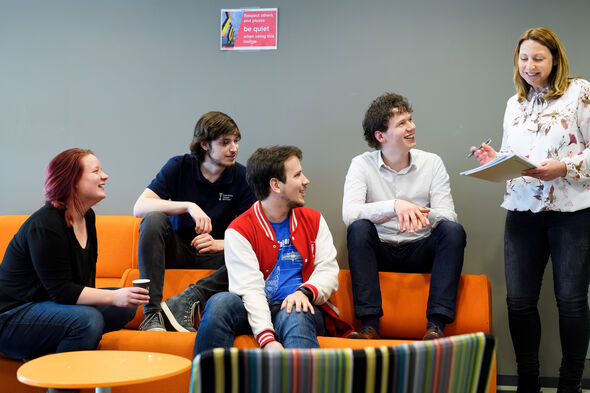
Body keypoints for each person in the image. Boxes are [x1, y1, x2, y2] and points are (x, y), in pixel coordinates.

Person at [471, 27, 590, 393]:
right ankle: (528, 382)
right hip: (522, 210)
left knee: (570, 302)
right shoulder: (515, 104)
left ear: (555, 58)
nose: (530, 65)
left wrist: (564, 167)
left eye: (538, 58)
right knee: (519, 302)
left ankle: (570, 383)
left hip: (572, 212)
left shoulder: (581, 93)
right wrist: (495, 160)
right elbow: (514, 156)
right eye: (524, 58)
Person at [194, 146, 351, 354]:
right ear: (275, 185)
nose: (306, 180)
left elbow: (328, 270)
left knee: (295, 309)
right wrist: (266, 338)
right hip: (254, 310)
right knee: (220, 302)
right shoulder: (239, 230)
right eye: (297, 175)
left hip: (302, 309)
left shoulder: (314, 220)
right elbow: (250, 289)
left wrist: (304, 293)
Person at [0, 148, 146, 362]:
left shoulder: (87, 217)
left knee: (124, 309)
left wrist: (119, 298)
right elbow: (62, 292)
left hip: (47, 307)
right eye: (96, 171)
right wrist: (115, 297)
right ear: (73, 181)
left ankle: (46, 353)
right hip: (11, 315)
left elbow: (83, 284)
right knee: (88, 320)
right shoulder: (46, 224)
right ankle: (58, 382)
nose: (105, 176)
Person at [342, 93, 466, 341]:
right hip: (381, 251)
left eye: (410, 120)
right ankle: (369, 326)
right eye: (402, 124)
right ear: (381, 136)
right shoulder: (361, 164)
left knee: (453, 231)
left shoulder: (432, 163)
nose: (412, 127)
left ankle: (435, 326)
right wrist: (394, 206)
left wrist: (417, 214)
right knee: (358, 228)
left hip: (420, 249)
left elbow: (449, 214)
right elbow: (350, 213)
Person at [133, 111, 256, 332]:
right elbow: (140, 207)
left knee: (257, 257)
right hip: (179, 251)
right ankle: (152, 316)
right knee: (153, 219)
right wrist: (188, 205)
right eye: (225, 142)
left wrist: (222, 243)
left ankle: (188, 298)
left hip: (216, 257)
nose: (234, 148)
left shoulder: (241, 176)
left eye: (236, 141)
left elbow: (258, 230)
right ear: (205, 145)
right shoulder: (179, 166)